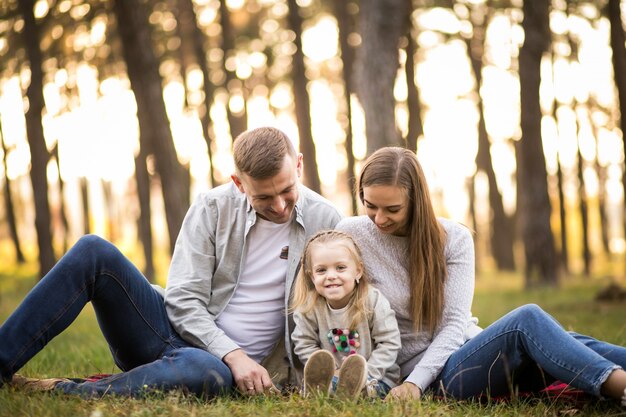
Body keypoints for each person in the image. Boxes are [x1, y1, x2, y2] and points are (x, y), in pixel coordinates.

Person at [0, 126, 343, 398]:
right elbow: (182, 300)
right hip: (165, 334)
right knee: (93, 251)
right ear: (238, 183)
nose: (280, 206)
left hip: (218, 370)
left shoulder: (325, 219)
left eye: (287, 190)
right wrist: (232, 353)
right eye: (263, 197)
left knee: (203, 371)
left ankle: (68, 389)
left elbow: (339, 301)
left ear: (298, 165)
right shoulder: (212, 208)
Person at [336, 146, 626, 405]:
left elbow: (453, 324)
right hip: (435, 377)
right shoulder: (352, 234)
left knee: (566, 342)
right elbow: (329, 301)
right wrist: (413, 383)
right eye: (370, 205)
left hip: (467, 351)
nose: (379, 218)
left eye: (392, 209)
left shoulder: (454, 238)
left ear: (416, 201)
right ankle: (620, 388)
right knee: (527, 321)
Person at [290, 230, 400, 399]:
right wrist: (332, 372)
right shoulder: (308, 307)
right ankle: (325, 390)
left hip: (375, 378)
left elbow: (389, 343)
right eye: (321, 270)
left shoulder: (373, 300)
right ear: (312, 277)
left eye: (340, 268)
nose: (331, 276)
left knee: (366, 391)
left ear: (358, 271)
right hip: (331, 377)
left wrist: (367, 375)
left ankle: (340, 393)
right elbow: (304, 343)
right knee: (327, 387)